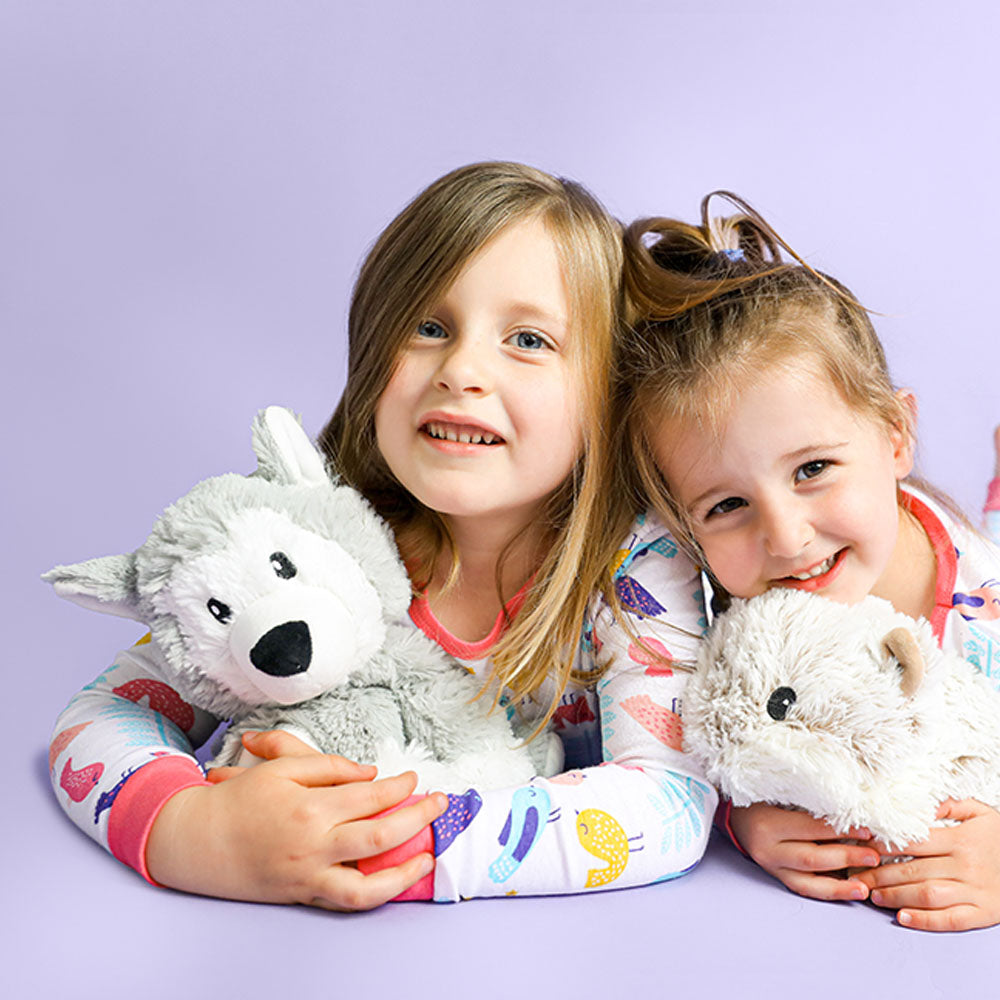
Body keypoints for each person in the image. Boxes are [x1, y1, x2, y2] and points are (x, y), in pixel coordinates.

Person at [48, 162, 716, 909]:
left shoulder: (636, 563)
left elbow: (669, 799)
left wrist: (385, 844)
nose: (461, 369)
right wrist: (193, 830)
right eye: (429, 327)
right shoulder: (317, 541)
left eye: (528, 339)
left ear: (607, 390)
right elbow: (102, 716)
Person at [614, 193, 1000, 932]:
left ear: (896, 435)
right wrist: (740, 814)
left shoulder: (985, 617)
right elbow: (678, 743)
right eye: (726, 505)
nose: (787, 539)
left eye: (813, 468)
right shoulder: (702, 606)